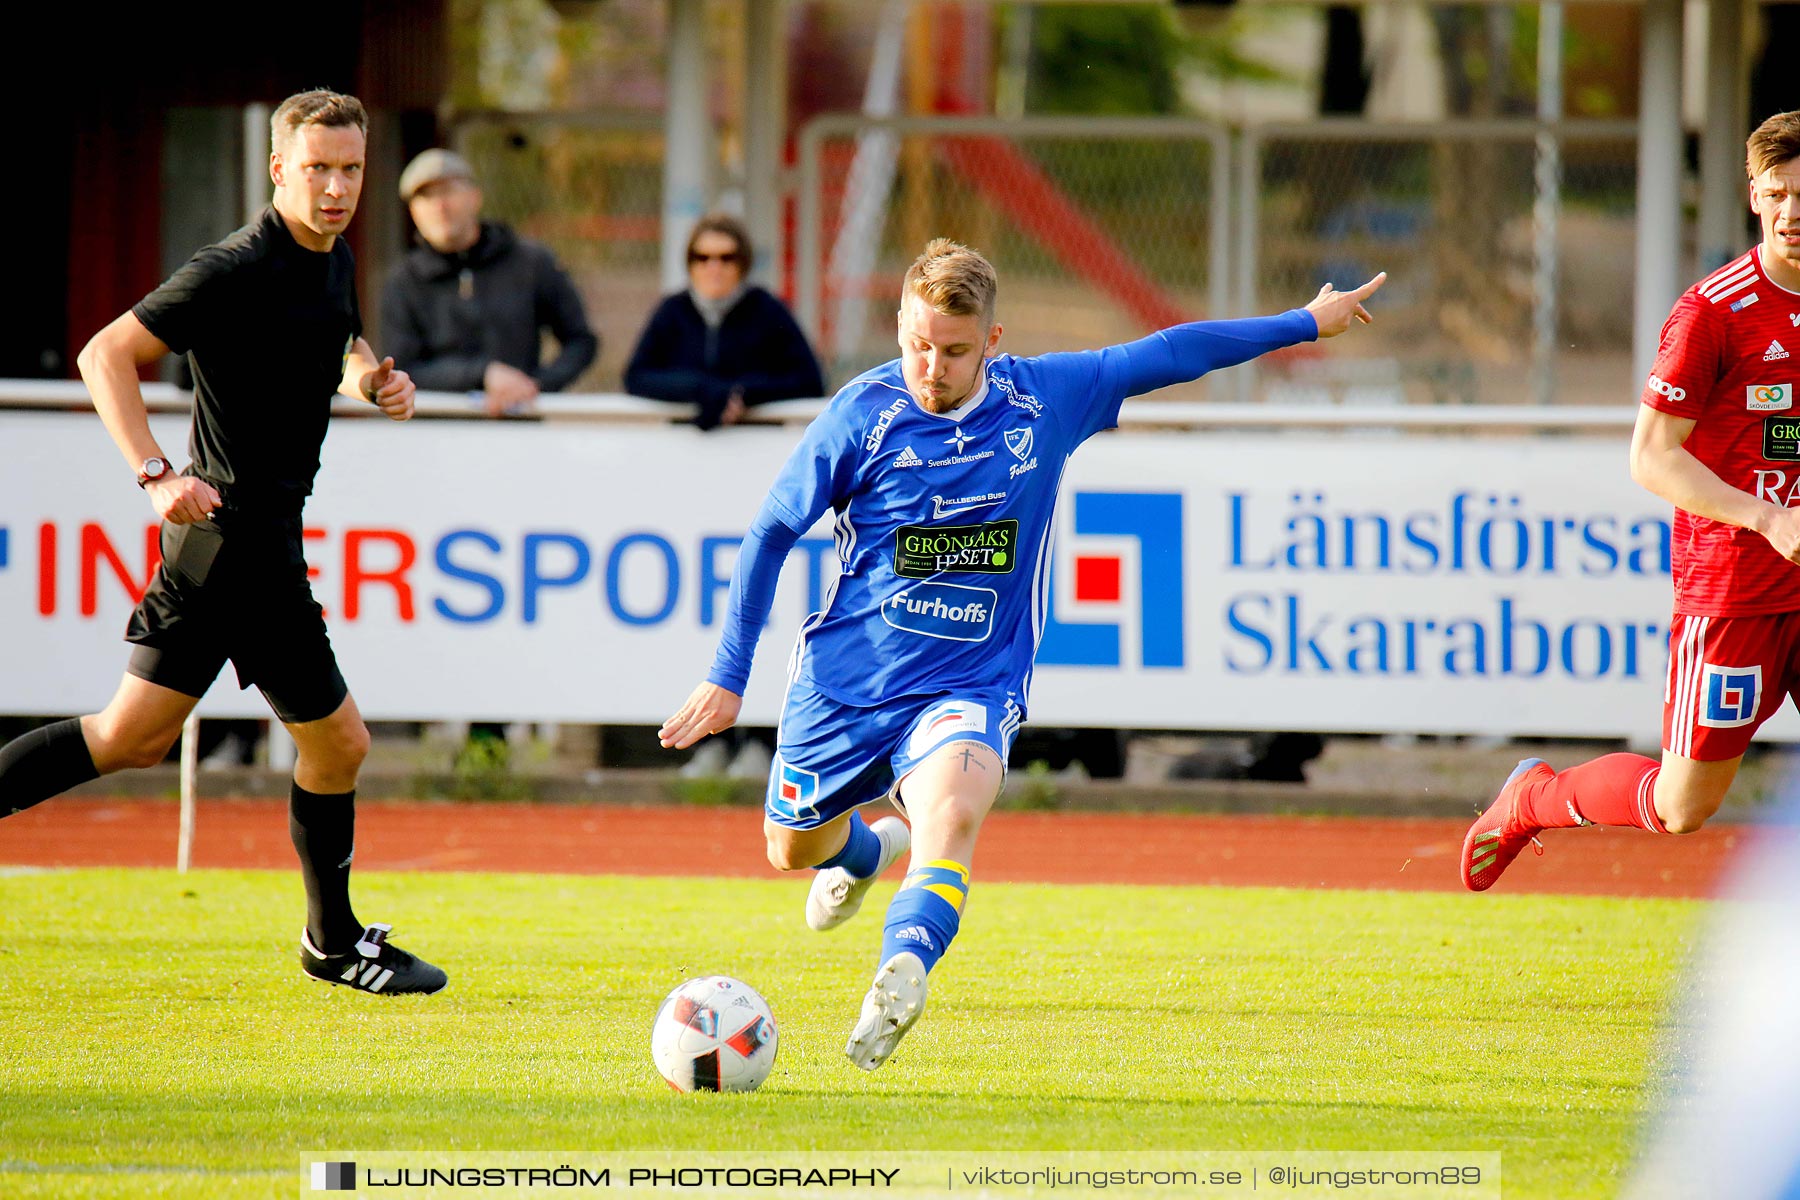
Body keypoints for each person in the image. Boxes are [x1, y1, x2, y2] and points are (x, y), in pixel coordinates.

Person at [660, 238, 1384, 1069]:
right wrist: (726, 676)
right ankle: (869, 850)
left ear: (993, 342)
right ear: (899, 327)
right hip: (848, 684)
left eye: (955, 350)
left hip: (972, 680)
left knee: (957, 811)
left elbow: (1171, 352)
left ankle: (905, 965)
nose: (932, 366)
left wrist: (1303, 323)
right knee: (790, 849)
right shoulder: (860, 416)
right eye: (918, 344)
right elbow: (769, 533)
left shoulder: (1044, 400)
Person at [0, 89, 446, 995]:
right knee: (337, 745)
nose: (335, 187)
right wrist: (156, 473)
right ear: (278, 169)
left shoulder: (332, 257)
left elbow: (343, 336)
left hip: (247, 548)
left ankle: (332, 939)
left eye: (350, 169)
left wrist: (370, 382)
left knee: (131, 738)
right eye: (317, 169)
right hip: (234, 547)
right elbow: (103, 355)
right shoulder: (236, 266)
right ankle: (332, 943)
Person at [1461, 110, 1800, 892]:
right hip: (1737, 589)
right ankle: (1534, 798)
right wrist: (1767, 516)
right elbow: (1651, 457)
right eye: (1777, 193)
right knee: (1684, 808)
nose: (1792, 211)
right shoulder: (1714, 312)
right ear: (1753, 196)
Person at [380, 148, 597, 417]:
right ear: (412, 210)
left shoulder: (531, 263)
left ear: (474, 197)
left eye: (448, 191)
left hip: (517, 428)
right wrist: (483, 374)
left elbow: (581, 341)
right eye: (426, 196)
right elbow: (401, 368)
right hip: (436, 433)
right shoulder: (403, 282)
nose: (440, 206)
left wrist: (534, 386)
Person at [625, 213, 825, 430]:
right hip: (685, 442)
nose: (714, 267)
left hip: (756, 442)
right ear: (690, 263)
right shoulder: (673, 311)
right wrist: (698, 389)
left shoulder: (768, 311)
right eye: (702, 257)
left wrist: (740, 393)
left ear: (743, 263)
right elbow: (637, 376)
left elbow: (809, 380)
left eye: (726, 258)